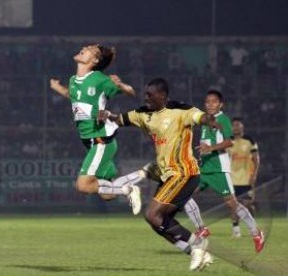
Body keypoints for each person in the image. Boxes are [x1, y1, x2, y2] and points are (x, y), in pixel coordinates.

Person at [98, 78, 216, 271]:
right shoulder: (143, 114)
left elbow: (200, 117)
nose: (146, 98)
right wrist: (108, 115)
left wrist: (210, 121)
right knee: (156, 221)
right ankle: (196, 251)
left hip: (183, 172)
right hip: (168, 175)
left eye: (150, 95)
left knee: (152, 214)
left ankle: (198, 244)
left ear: (162, 95)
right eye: (145, 94)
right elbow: (120, 119)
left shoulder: (180, 111)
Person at [49, 44, 142, 213]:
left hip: (101, 140)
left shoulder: (99, 79)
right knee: (108, 195)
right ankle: (139, 176)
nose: (84, 47)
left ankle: (128, 189)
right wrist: (58, 88)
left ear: (95, 60)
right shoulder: (73, 80)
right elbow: (73, 96)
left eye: (90, 48)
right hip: (89, 142)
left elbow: (132, 92)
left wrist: (121, 85)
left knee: (83, 185)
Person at [183, 91, 264, 253]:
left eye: (214, 102)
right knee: (184, 196)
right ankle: (201, 229)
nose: (210, 104)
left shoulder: (223, 119)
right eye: (207, 101)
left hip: (219, 169)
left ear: (221, 104)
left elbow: (229, 141)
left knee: (232, 203)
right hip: (205, 169)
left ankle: (256, 232)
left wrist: (210, 148)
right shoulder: (206, 120)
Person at [227, 117, 260, 230]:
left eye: (238, 125)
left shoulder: (250, 140)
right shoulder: (228, 141)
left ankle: (252, 223)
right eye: (234, 125)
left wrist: (254, 174)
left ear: (242, 126)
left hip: (247, 178)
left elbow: (256, 159)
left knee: (248, 204)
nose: (236, 127)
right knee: (234, 206)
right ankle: (236, 231)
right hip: (232, 179)